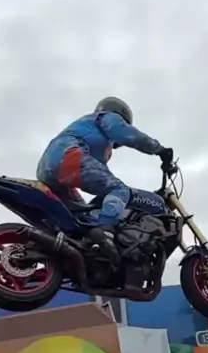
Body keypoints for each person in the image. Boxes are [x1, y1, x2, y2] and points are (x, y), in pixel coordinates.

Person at [36, 96, 173, 260]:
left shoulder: (94, 136)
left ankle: (77, 249)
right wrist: (160, 149)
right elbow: (127, 134)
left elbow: (100, 172)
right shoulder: (106, 117)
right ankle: (104, 231)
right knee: (119, 189)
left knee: (81, 215)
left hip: (47, 167)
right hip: (68, 156)